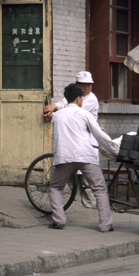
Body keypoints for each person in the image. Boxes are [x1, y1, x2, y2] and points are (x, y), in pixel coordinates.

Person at [48, 84, 119, 231]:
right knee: (99, 189)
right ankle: (105, 225)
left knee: (55, 187)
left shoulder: (57, 116)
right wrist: (114, 150)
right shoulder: (84, 114)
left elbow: (56, 139)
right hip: (85, 156)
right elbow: (99, 135)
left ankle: (59, 220)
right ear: (79, 98)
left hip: (64, 157)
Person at [44, 71, 99, 209]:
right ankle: (79, 203)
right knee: (70, 178)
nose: (86, 88)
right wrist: (53, 107)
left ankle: (91, 205)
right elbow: (64, 103)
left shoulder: (91, 99)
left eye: (88, 85)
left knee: (87, 180)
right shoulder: (73, 97)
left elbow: (71, 110)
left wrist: (54, 113)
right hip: (71, 142)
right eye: (83, 85)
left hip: (86, 142)